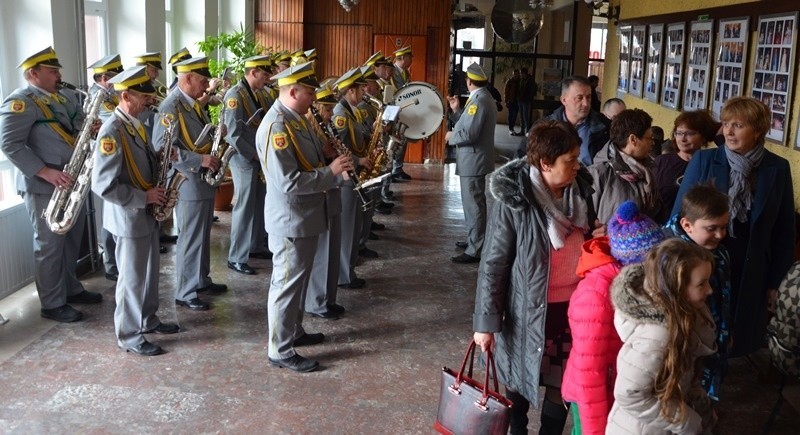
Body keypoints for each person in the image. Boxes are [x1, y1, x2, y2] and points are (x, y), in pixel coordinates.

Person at [473, 120, 595, 435]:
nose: (577, 166)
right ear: (544, 163)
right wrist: (485, 324)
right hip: (525, 313)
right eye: (569, 160)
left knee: (563, 384)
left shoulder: (581, 190)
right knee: (517, 384)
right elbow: (494, 263)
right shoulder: (516, 201)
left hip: (572, 312)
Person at [672, 96, 795, 357]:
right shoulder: (705, 160)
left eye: (738, 125)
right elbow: (679, 219)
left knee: (740, 340)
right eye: (726, 123)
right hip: (707, 264)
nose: (728, 131)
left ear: (758, 130)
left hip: (752, 268)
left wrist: (776, 281)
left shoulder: (777, 168)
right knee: (702, 336)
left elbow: (784, 230)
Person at [255, 62, 353, 373]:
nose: (315, 98)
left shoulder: (296, 119)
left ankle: (293, 332)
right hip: (291, 220)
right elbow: (288, 182)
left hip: (305, 217)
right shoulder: (277, 128)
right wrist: (331, 172)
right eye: (310, 92)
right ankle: (280, 350)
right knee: (285, 284)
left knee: (297, 282)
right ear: (293, 91)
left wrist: (325, 156)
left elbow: (306, 163)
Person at [0, 47, 102, 323]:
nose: (59, 75)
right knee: (49, 245)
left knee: (70, 241)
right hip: (45, 185)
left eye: (57, 71)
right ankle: (52, 302)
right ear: (33, 74)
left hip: (72, 179)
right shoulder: (20, 102)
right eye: (52, 71)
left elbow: (76, 127)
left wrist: (90, 128)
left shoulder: (66, 97)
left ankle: (70, 288)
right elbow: (9, 144)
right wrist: (44, 171)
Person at [91, 66, 180, 356]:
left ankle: (147, 319)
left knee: (148, 274)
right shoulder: (111, 130)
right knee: (131, 279)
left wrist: (157, 158)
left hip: (145, 214)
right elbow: (103, 185)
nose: (150, 101)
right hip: (130, 217)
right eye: (144, 96)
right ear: (126, 96)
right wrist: (145, 196)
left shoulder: (135, 123)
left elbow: (134, 163)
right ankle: (129, 335)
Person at [561, 201, 665, 435]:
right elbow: (590, 374)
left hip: (612, 388)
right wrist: (594, 432)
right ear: (634, 263)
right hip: (595, 399)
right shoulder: (596, 295)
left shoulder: (630, 285)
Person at [607, 239, 717, 435]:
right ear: (677, 288)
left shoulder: (680, 319)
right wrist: (684, 420)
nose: (710, 290)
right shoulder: (658, 335)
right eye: (701, 284)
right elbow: (629, 394)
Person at [152, 57, 226, 311]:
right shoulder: (170, 106)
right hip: (187, 180)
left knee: (202, 234)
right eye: (202, 80)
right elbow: (162, 148)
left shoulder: (191, 104)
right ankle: (185, 290)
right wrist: (200, 159)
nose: (206, 86)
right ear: (187, 79)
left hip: (201, 180)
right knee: (190, 237)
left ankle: (200, 279)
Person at [664, 185, 732, 402]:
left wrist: (726, 329)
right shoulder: (671, 259)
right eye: (711, 228)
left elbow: (726, 295)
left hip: (715, 336)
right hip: (685, 344)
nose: (720, 235)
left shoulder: (719, 252)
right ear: (687, 225)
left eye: (724, 227)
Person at [222, 55, 274, 276]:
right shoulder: (235, 95)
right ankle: (236, 257)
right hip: (243, 157)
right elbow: (233, 135)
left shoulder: (258, 94)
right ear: (253, 72)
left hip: (257, 157)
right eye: (264, 73)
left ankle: (254, 246)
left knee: (258, 201)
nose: (268, 78)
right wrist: (255, 155)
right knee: (244, 207)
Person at [445, 63, 497, 264]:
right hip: (474, 159)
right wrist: (457, 111)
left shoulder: (479, 101)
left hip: (473, 159)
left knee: (473, 204)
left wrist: (450, 136)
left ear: (469, 81)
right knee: (472, 203)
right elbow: (468, 124)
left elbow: (469, 133)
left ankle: (475, 247)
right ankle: (473, 239)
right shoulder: (481, 98)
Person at [304, 84, 346, 320]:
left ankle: (329, 298)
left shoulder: (324, 129)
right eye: (327, 110)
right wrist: (327, 156)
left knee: (333, 248)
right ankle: (317, 302)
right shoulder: (309, 129)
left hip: (333, 190)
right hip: (320, 192)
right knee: (322, 252)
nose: (330, 115)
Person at [333, 67, 374, 288]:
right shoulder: (340, 115)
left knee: (353, 224)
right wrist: (359, 161)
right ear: (350, 90)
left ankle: (348, 270)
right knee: (347, 227)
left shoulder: (352, 110)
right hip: (346, 178)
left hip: (354, 175)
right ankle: (343, 275)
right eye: (361, 88)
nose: (364, 91)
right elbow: (339, 148)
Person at [589, 108, 662, 225]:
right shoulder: (599, 172)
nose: (652, 143)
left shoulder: (648, 168)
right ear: (633, 139)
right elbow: (588, 220)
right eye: (649, 138)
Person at [87, 54, 125, 282]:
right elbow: (115, 119)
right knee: (110, 215)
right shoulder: (98, 98)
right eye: (114, 77)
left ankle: (114, 260)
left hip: (117, 157)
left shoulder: (107, 95)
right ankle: (111, 263)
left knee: (115, 213)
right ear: (103, 77)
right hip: (104, 160)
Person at [653, 110, 718, 217]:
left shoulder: (710, 164)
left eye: (689, 133)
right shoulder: (662, 161)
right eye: (679, 133)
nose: (682, 139)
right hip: (663, 227)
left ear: (703, 137)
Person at [544, 76, 610, 167]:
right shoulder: (545, 127)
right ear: (564, 100)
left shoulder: (605, 126)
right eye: (579, 98)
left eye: (588, 97)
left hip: (592, 179)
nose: (586, 103)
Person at [390, 46, 413, 181]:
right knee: (395, 142)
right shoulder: (393, 72)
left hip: (403, 110)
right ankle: (392, 169)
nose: (411, 61)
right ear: (403, 58)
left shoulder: (405, 72)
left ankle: (397, 168)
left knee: (402, 141)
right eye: (410, 58)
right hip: (394, 110)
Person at [518, 67, 536, 135]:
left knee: (525, 116)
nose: (520, 74)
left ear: (524, 73)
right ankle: (522, 131)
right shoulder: (521, 80)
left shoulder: (530, 80)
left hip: (526, 100)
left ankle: (527, 131)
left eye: (521, 73)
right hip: (520, 100)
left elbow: (532, 91)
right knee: (521, 116)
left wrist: (528, 98)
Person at [504, 69, 521, 135]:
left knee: (515, 115)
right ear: (513, 74)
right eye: (515, 74)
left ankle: (512, 127)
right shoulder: (510, 81)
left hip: (518, 101)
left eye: (517, 74)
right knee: (511, 115)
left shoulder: (520, 81)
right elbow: (506, 92)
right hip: (511, 100)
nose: (516, 75)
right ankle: (510, 128)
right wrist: (506, 101)